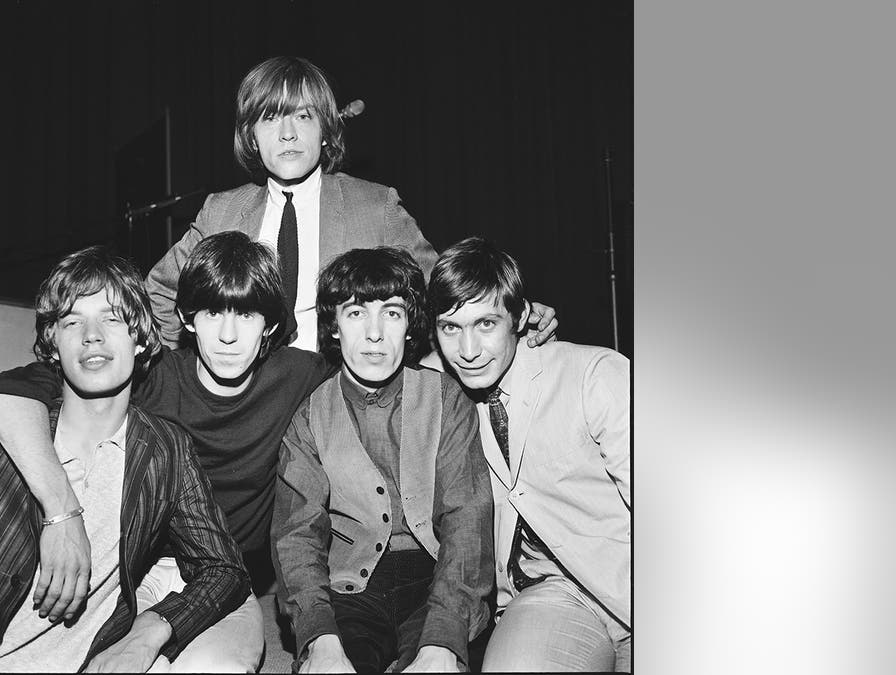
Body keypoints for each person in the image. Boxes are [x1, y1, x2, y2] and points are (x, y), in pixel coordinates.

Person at [0, 232, 337, 595]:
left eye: (245, 315)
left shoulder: (298, 375)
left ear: (270, 327)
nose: (228, 336)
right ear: (187, 318)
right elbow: (11, 388)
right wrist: (61, 510)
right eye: (212, 313)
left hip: (231, 572)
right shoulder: (154, 374)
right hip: (139, 565)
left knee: (226, 654)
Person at [0, 246, 256, 672]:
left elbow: (223, 569)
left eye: (111, 318)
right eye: (72, 321)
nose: (91, 335)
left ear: (140, 339)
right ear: (53, 345)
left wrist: (147, 633)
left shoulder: (165, 451)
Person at [145, 55, 556, 351]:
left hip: (340, 404)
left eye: (303, 116)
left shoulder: (376, 206)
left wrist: (515, 314)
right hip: (246, 408)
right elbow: (159, 293)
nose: (287, 133)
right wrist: (183, 373)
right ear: (251, 136)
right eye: (270, 118)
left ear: (326, 130)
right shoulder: (221, 211)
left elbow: (444, 295)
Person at [271, 247, 494, 673]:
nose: (374, 334)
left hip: (435, 579)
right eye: (355, 314)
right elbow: (296, 536)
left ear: (411, 326)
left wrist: (443, 639)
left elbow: (467, 518)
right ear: (333, 327)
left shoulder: (447, 398)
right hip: (348, 588)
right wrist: (320, 637)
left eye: (391, 313)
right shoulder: (309, 417)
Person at [428, 237, 631, 672]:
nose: (468, 351)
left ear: (521, 316)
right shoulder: (442, 395)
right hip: (550, 595)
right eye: (451, 328)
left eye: (486, 324)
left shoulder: (593, 375)